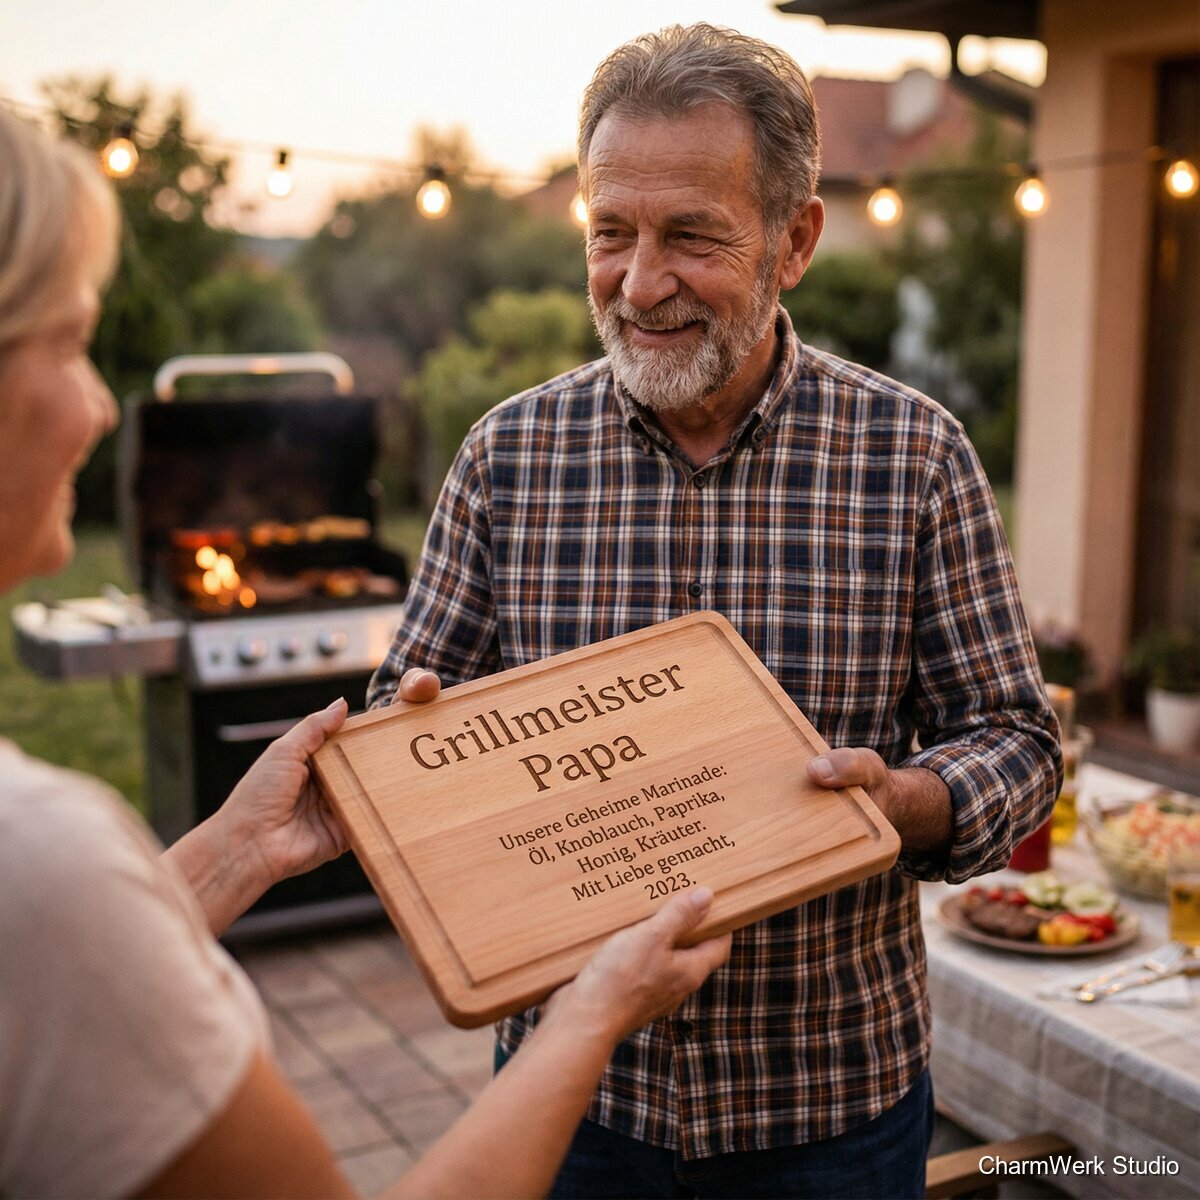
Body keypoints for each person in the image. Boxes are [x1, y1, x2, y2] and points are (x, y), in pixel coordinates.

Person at [368, 23, 1062, 1200]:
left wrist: (907, 802)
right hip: (577, 1101)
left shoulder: (913, 457)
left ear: (795, 240)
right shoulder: (508, 457)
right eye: (610, 234)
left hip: (830, 1105)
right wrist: (423, 752)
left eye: (691, 235)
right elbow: (404, 723)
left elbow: (1019, 739)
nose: (640, 284)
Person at [0, 105, 731, 1200]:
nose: (104, 408)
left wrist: (233, 854)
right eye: (66, 342)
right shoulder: (44, 860)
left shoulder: (51, 878)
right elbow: (57, 932)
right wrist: (592, 1012)